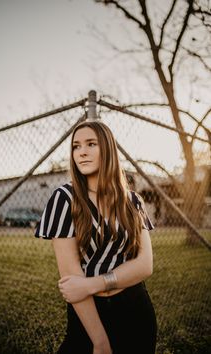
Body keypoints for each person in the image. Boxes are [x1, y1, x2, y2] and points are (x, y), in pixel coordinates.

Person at [35, 120, 157, 354]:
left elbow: (145, 265)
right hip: (90, 315)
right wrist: (100, 342)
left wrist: (93, 284)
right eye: (76, 146)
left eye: (91, 144)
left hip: (136, 308)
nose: (81, 152)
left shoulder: (132, 201)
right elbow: (71, 279)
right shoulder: (64, 198)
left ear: (108, 149)